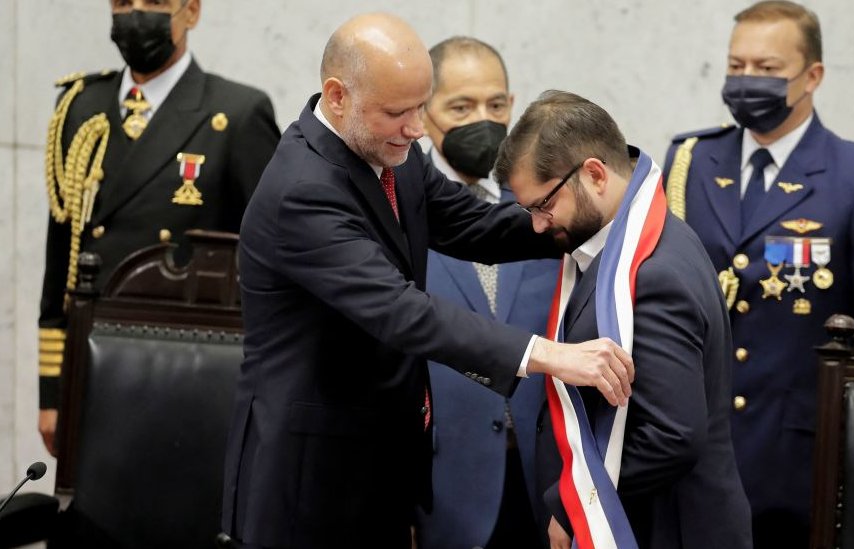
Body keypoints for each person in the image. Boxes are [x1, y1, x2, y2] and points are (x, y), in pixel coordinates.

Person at [220, 14, 634, 549]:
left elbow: (473, 222)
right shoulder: (302, 190)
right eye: (398, 112)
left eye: (421, 106)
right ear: (337, 96)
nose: (417, 129)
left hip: (382, 463)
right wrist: (546, 354)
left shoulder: (389, 150)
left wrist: (583, 211)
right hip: (310, 477)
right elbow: (402, 311)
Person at [661, 2, 854, 547]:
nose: (747, 82)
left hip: (799, 460)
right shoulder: (689, 161)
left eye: (767, 69)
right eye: (737, 66)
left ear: (812, 76)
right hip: (693, 455)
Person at [496, 89, 752, 549]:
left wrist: (569, 504)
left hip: (662, 528)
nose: (537, 225)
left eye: (543, 205)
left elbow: (671, 437)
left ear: (594, 174)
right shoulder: (622, 244)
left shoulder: (653, 273)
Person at [37, 0, 279, 456]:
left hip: (190, 371)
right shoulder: (81, 106)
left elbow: (268, 261)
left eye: (155, 3)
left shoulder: (237, 113)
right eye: (124, 3)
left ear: (191, 12)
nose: (136, 14)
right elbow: (62, 251)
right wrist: (52, 390)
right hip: (91, 362)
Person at [415, 37, 557, 549]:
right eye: (461, 106)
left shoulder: (544, 211)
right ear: (423, 111)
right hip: (440, 487)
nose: (484, 119)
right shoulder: (399, 208)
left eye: (496, 105)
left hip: (540, 487)